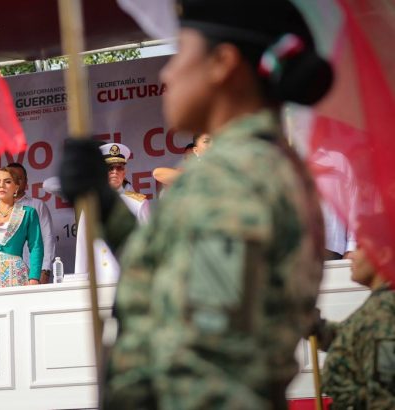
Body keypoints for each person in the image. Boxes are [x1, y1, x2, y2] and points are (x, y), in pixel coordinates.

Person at [60, 0, 332, 407]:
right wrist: (105, 204)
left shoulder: (237, 177)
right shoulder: (245, 167)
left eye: (180, 53)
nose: (167, 72)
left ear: (222, 62)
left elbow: (206, 361)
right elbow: (169, 280)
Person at [310, 229, 395, 409]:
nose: (352, 256)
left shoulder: (383, 313)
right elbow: (352, 338)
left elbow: (384, 399)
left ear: (382, 255)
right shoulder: (378, 306)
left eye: (359, 247)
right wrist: (312, 325)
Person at [74, 143, 149, 281]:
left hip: (128, 279)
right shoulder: (91, 206)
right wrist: (80, 281)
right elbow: (83, 247)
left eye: (119, 168)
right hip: (99, 279)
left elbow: (148, 243)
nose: (115, 172)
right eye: (110, 168)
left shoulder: (139, 203)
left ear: (124, 172)